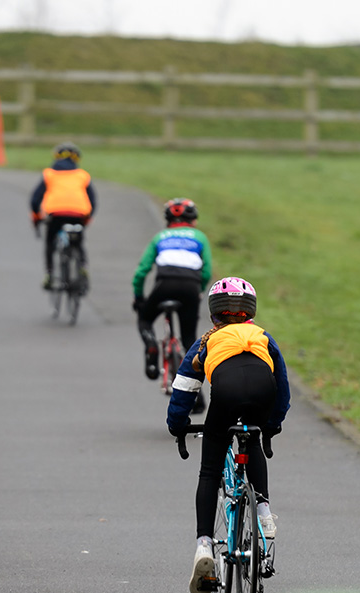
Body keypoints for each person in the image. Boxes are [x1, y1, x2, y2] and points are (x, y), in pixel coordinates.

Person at [166, 277, 290, 593]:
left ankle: (205, 546)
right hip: (264, 390)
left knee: (210, 471)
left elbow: (184, 388)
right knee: (254, 436)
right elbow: (284, 387)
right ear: (250, 312)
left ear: (213, 315)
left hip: (227, 393)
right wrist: (273, 424)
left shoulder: (207, 340)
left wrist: (177, 424)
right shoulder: (262, 336)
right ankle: (263, 513)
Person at [133, 198, 213, 384]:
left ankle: (151, 346)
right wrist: (199, 291)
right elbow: (207, 271)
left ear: (168, 220)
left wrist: (139, 298)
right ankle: (196, 389)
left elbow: (141, 272)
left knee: (144, 319)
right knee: (189, 339)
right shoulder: (200, 237)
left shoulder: (160, 237)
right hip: (191, 286)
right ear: (193, 220)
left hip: (165, 285)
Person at [29, 142, 96, 290]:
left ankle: (50, 274)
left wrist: (36, 217)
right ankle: (82, 266)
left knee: (50, 242)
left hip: (56, 213)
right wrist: (87, 218)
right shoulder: (82, 175)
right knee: (78, 240)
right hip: (79, 213)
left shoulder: (49, 174)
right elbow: (92, 200)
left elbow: (35, 199)